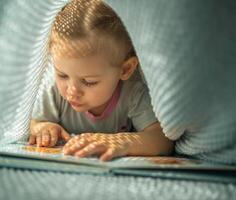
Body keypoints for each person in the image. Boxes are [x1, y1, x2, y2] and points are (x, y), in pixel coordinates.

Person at [28, 0, 173, 161]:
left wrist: (123, 142)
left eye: (89, 81)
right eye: (62, 75)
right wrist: (41, 127)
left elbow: (162, 140)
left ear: (125, 69)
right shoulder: (54, 91)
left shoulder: (132, 93)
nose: (71, 91)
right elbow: (31, 123)